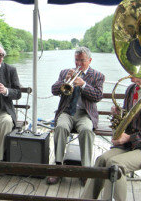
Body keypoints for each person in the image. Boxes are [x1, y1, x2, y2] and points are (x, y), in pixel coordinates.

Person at [81, 76, 141, 201]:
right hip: (132, 145)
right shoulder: (131, 89)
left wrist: (129, 138)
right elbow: (128, 119)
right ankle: (86, 199)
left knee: (115, 164)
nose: (129, 76)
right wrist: (118, 116)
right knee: (101, 160)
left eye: (132, 72)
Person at [47, 46, 105, 185]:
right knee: (60, 127)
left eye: (82, 60)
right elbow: (54, 90)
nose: (78, 63)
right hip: (67, 112)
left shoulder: (98, 76)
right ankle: (58, 167)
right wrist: (65, 81)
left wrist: (84, 85)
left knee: (86, 130)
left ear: (89, 60)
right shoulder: (65, 72)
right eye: (76, 60)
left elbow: (97, 96)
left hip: (85, 114)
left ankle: (85, 170)